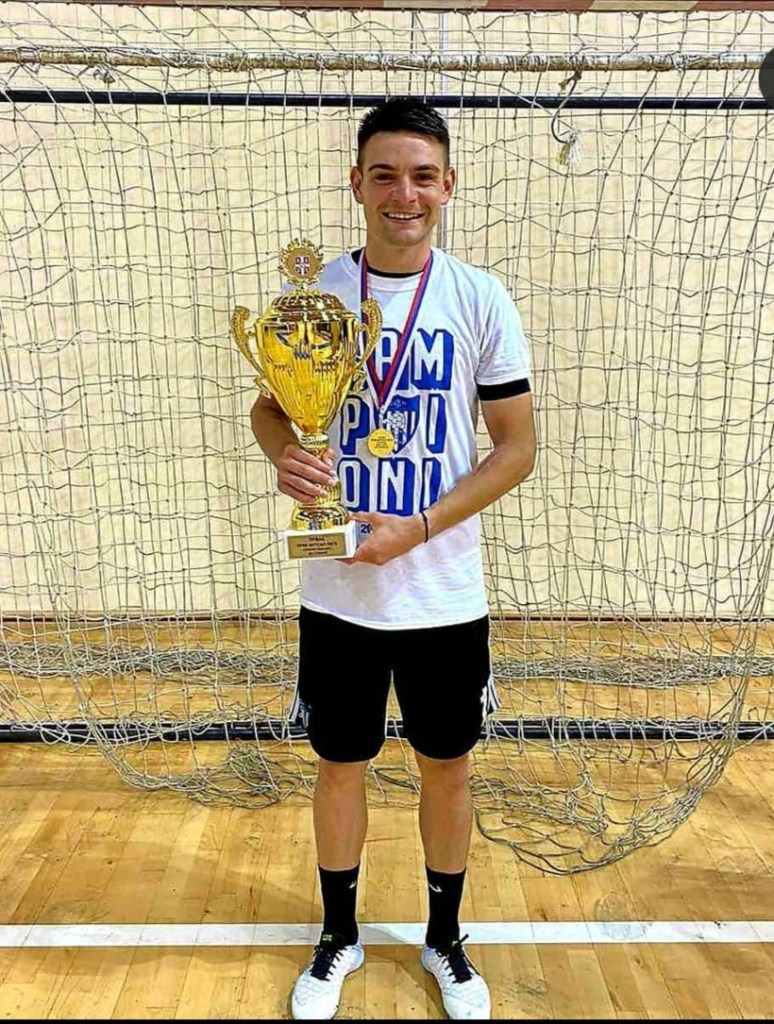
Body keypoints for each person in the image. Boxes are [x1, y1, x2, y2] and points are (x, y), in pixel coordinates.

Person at [250, 97, 536, 1021]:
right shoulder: (318, 295)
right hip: (338, 588)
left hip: (441, 589)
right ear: (357, 184)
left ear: (447, 185)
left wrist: (417, 528)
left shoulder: (479, 297)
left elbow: (516, 449)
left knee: (445, 765)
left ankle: (444, 938)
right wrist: (286, 454)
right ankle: (338, 936)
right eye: (384, 174)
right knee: (340, 763)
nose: (402, 193)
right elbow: (272, 409)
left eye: (421, 175)